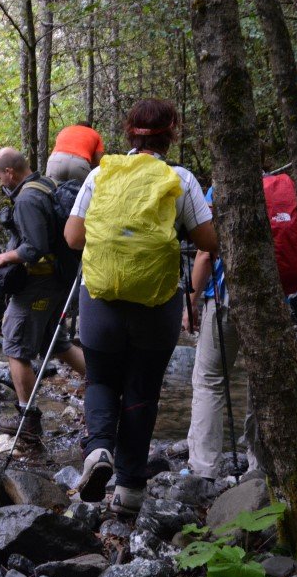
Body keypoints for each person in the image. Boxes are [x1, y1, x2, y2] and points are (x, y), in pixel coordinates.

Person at [66, 98, 217, 515]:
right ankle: (130, 490)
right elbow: (208, 242)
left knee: (100, 380)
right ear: (172, 134)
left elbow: (73, 238)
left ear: (128, 133)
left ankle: (98, 451)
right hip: (156, 304)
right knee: (142, 390)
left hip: (101, 300)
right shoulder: (181, 179)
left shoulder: (101, 174)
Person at [185, 174, 297, 481]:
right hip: (274, 305)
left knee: (210, 380)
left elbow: (205, 252)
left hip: (226, 301)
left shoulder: (222, 189)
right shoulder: (287, 192)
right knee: (264, 383)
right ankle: (260, 466)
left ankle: (204, 468)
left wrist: (191, 300)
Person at [0, 147, 87, 441]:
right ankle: (105, 387)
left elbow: (35, 247)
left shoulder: (28, 198)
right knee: (55, 343)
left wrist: (3, 258)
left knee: (15, 345)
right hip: (59, 281)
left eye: (0, 177)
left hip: (38, 284)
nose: (1, 183)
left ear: (10, 172)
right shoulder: (48, 184)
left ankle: (28, 421)